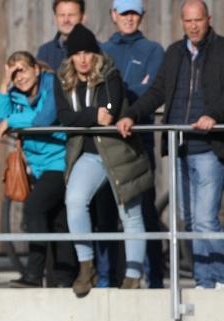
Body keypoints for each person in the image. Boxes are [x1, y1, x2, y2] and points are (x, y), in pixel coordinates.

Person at [118, 0, 224, 289]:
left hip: (208, 148)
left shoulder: (221, 50)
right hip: (179, 147)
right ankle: (205, 281)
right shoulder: (175, 53)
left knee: (205, 219)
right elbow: (156, 93)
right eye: (188, 21)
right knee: (188, 219)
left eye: (198, 20)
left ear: (208, 19)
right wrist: (131, 114)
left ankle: (220, 279)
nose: (193, 26)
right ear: (181, 22)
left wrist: (214, 115)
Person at [54, 24, 151, 297]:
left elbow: (107, 115)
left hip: (119, 153)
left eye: (88, 52)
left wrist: (88, 116)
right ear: (70, 57)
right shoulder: (61, 79)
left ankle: (133, 277)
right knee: (74, 201)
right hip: (87, 155)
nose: (83, 59)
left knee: (130, 215)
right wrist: (91, 114)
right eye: (77, 54)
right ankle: (86, 267)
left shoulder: (111, 75)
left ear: (95, 54)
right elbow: (64, 117)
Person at [0, 51, 75, 288]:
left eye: (23, 70)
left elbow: (45, 119)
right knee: (58, 220)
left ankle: (34, 273)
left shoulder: (52, 86)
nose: (19, 77)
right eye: (14, 72)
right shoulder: (15, 94)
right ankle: (63, 277)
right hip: (37, 166)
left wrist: (12, 121)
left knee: (33, 207)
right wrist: (3, 84)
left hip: (60, 162)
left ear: (36, 69)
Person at [102, 0, 165, 289]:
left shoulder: (153, 50)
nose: (129, 19)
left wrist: (118, 103)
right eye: (124, 13)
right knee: (107, 212)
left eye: (134, 14)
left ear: (142, 16)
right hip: (106, 144)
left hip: (139, 142)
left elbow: (151, 90)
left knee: (145, 213)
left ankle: (153, 280)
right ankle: (108, 279)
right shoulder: (103, 51)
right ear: (113, 15)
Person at [38, 0, 86, 71]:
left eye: (71, 15)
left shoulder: (97, 51)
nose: (66, 20)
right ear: (55, 19)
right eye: (62, 15)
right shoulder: (45, 52)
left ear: (82, 18)